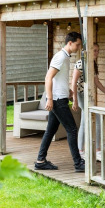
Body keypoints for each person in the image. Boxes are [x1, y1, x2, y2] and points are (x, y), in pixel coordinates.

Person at [35, 32, 85, 172]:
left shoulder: (65, 57)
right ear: (70, 43)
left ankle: (40, 161)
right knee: (72, 129)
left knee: (50, 130)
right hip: (57, 100)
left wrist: (68, 90)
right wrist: (50, 99)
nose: (78, 47)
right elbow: (48, 78)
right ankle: (78, 164)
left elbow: (58, 79)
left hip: (60, 97)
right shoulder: (61, 57)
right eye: (77, 44)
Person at [71, 42, 105, 160]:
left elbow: (97, 82)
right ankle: (82, 151)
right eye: (94, 50)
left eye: (97, 50)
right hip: (80, 95)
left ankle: (96, 151)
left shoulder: (92, 63)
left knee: (92, 121)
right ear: (88, 51)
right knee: (90, 120)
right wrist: (74, 100)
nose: (97, 53)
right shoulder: (80, 63)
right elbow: (73, 83)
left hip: (89, 96)